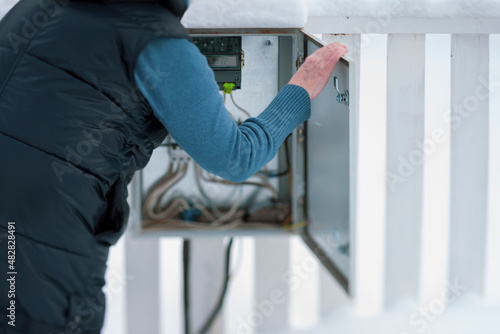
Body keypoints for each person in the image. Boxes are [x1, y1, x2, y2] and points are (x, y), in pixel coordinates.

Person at [0, 0, 347, 332]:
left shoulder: (41, 7)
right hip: (46, 239)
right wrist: (299, 91)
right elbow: (235, 157)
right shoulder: (157, 42)